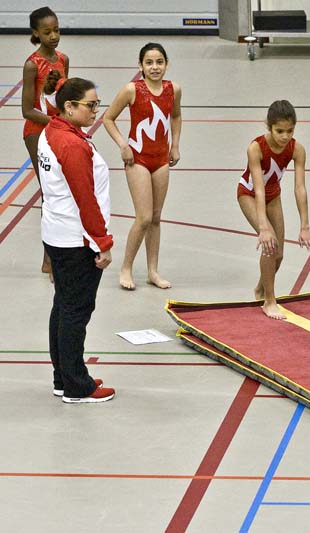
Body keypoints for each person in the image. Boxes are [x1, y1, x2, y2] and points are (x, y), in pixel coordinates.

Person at [39, 77, 115, 403]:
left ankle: (63, 376)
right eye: (90, 105)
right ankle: (76, 385)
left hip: (57, 233)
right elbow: (85, 198)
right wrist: (102, 242)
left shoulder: (53, 132)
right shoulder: (70, 145)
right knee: (76, 310)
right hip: (76, 240)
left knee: (63, 304)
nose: (95, 111)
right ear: (69, 107)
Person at [103, 43, 181, 290]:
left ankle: (152, 271)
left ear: (166, 64)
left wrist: (175, 145)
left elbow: (176, 116)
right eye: (149, 62)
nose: (155, 67)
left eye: (159, 62)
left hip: (161, 159)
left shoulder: (173, 89)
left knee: (156, 218)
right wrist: (122, 145)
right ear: (140, 66)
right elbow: (108, 118)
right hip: (137, 159)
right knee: (144, 217)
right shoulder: (131, 90)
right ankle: (126, 268)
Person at [237, 100, 310, 319]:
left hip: (274, 196)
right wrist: (263, 227)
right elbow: (258, 189)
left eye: (290, 131)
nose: (285, 136)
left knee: (279, 255)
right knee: (269, 245)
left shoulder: (297, 149)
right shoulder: (256, 148)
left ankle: (260, 289)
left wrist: (305, 226)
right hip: (249, 195)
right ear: (269, 126)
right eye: (279, 131)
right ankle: (269, 301)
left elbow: (300, 188)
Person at [21, 6, 69, 279]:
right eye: (47, 32)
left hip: (57, 129)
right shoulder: (32, 64)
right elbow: (27, 109)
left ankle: (55, 255)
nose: (54, 36)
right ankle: (49, 259)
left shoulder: (63, 58)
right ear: (36, 33)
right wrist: (54, 123)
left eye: (57, 30)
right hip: (37, 131)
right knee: (49, 193)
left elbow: (62, 98)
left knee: (60, 191)